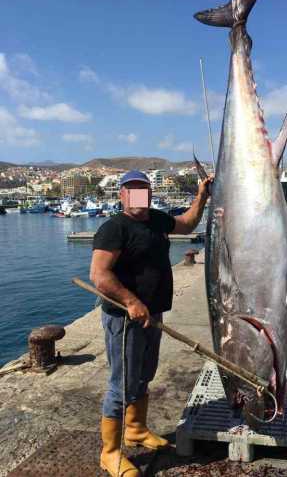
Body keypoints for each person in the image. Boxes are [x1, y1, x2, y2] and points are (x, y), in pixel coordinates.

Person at [90, 169, 212, 477]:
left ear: (149, 193)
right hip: (125, 320)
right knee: (122, 385)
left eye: (142, 190)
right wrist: (131, 302)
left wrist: (201, 196)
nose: (137, 196)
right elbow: (99, 275)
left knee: (144, 374)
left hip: (152, 315)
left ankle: (136, 430)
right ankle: (111, 453)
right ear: (121, 195)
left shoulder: (157, 220)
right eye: (130, 190)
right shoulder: (114, 228)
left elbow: (187, 224)